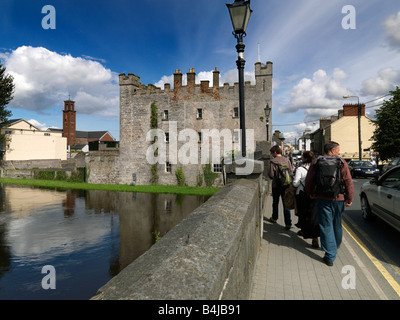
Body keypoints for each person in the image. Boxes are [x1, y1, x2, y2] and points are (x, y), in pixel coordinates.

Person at [305, 141, 353, 266]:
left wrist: (310, 192)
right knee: (337, 223)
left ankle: (330, 255)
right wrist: (349, 197)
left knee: (326, 225)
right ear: (332, 150)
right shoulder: (341, 162)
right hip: (339, 198)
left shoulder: (317, 162)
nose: (339, 152)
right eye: (338, 149)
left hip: (322, 198)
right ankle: (334, 246)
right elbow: (348, 181)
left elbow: (309, 179)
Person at [292, 151, 319, 248]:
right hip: (314, 194)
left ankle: (304, 231)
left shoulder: (300, 169)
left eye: (302, 157)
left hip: (302, 194)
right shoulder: (316, 168)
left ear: (304, 158)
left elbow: (295, 183)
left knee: (303, 214)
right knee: (313, 215)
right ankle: (315, 237)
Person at [268, 145, 293, 230]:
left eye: (272, 153)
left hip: (276, 185)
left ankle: (274, 218)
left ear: (275, 152)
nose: (271, 154)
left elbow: (271, 175)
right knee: (285, 203)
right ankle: (288, 223)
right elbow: (291, 172)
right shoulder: (287, 160)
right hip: (286, 185)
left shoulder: (273, 162)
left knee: (275, 202)